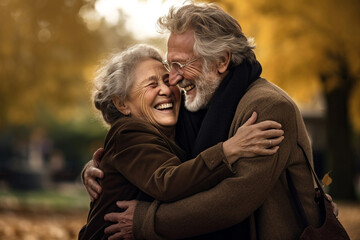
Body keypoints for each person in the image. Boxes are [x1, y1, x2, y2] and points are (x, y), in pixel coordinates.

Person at [82, 2, 339, 239]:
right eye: (170, 65)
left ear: (222, 61)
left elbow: (233, 200)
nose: (173, 79)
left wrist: (146, 220)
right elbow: (145, 144)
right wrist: (103, 167)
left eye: (181, 65)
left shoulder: (267, 106)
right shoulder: (197, 102)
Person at [78, 44, 284, 239]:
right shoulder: (128, 131)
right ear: (122, 104)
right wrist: (229, 150)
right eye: (151, 84)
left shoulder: (177, 123)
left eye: (168, 81)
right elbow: (167, 183)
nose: (166, 90)